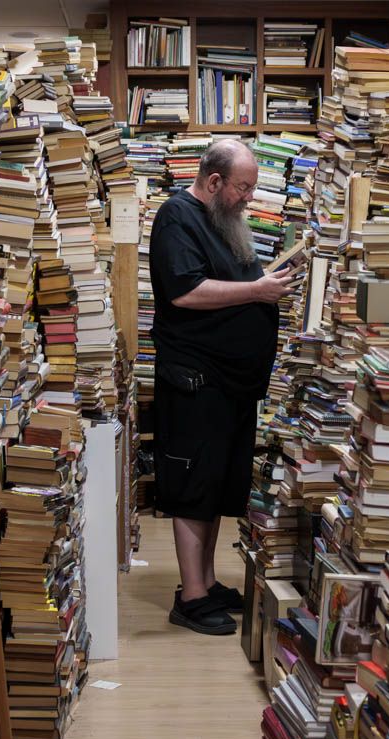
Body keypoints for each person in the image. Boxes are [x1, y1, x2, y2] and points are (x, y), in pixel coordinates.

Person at [148, 139, 294, 635]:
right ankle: (190, 598)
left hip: (227, 383)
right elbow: (186, 291)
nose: (248, 199)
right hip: (194, 380)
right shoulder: (177, 217)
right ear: (214, 183)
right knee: (193, 487)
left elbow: (229, 280)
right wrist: (258, 290)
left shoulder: (220, 221)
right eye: (243, 188)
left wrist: (266, 282)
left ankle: (206, 583)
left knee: (214, 485)